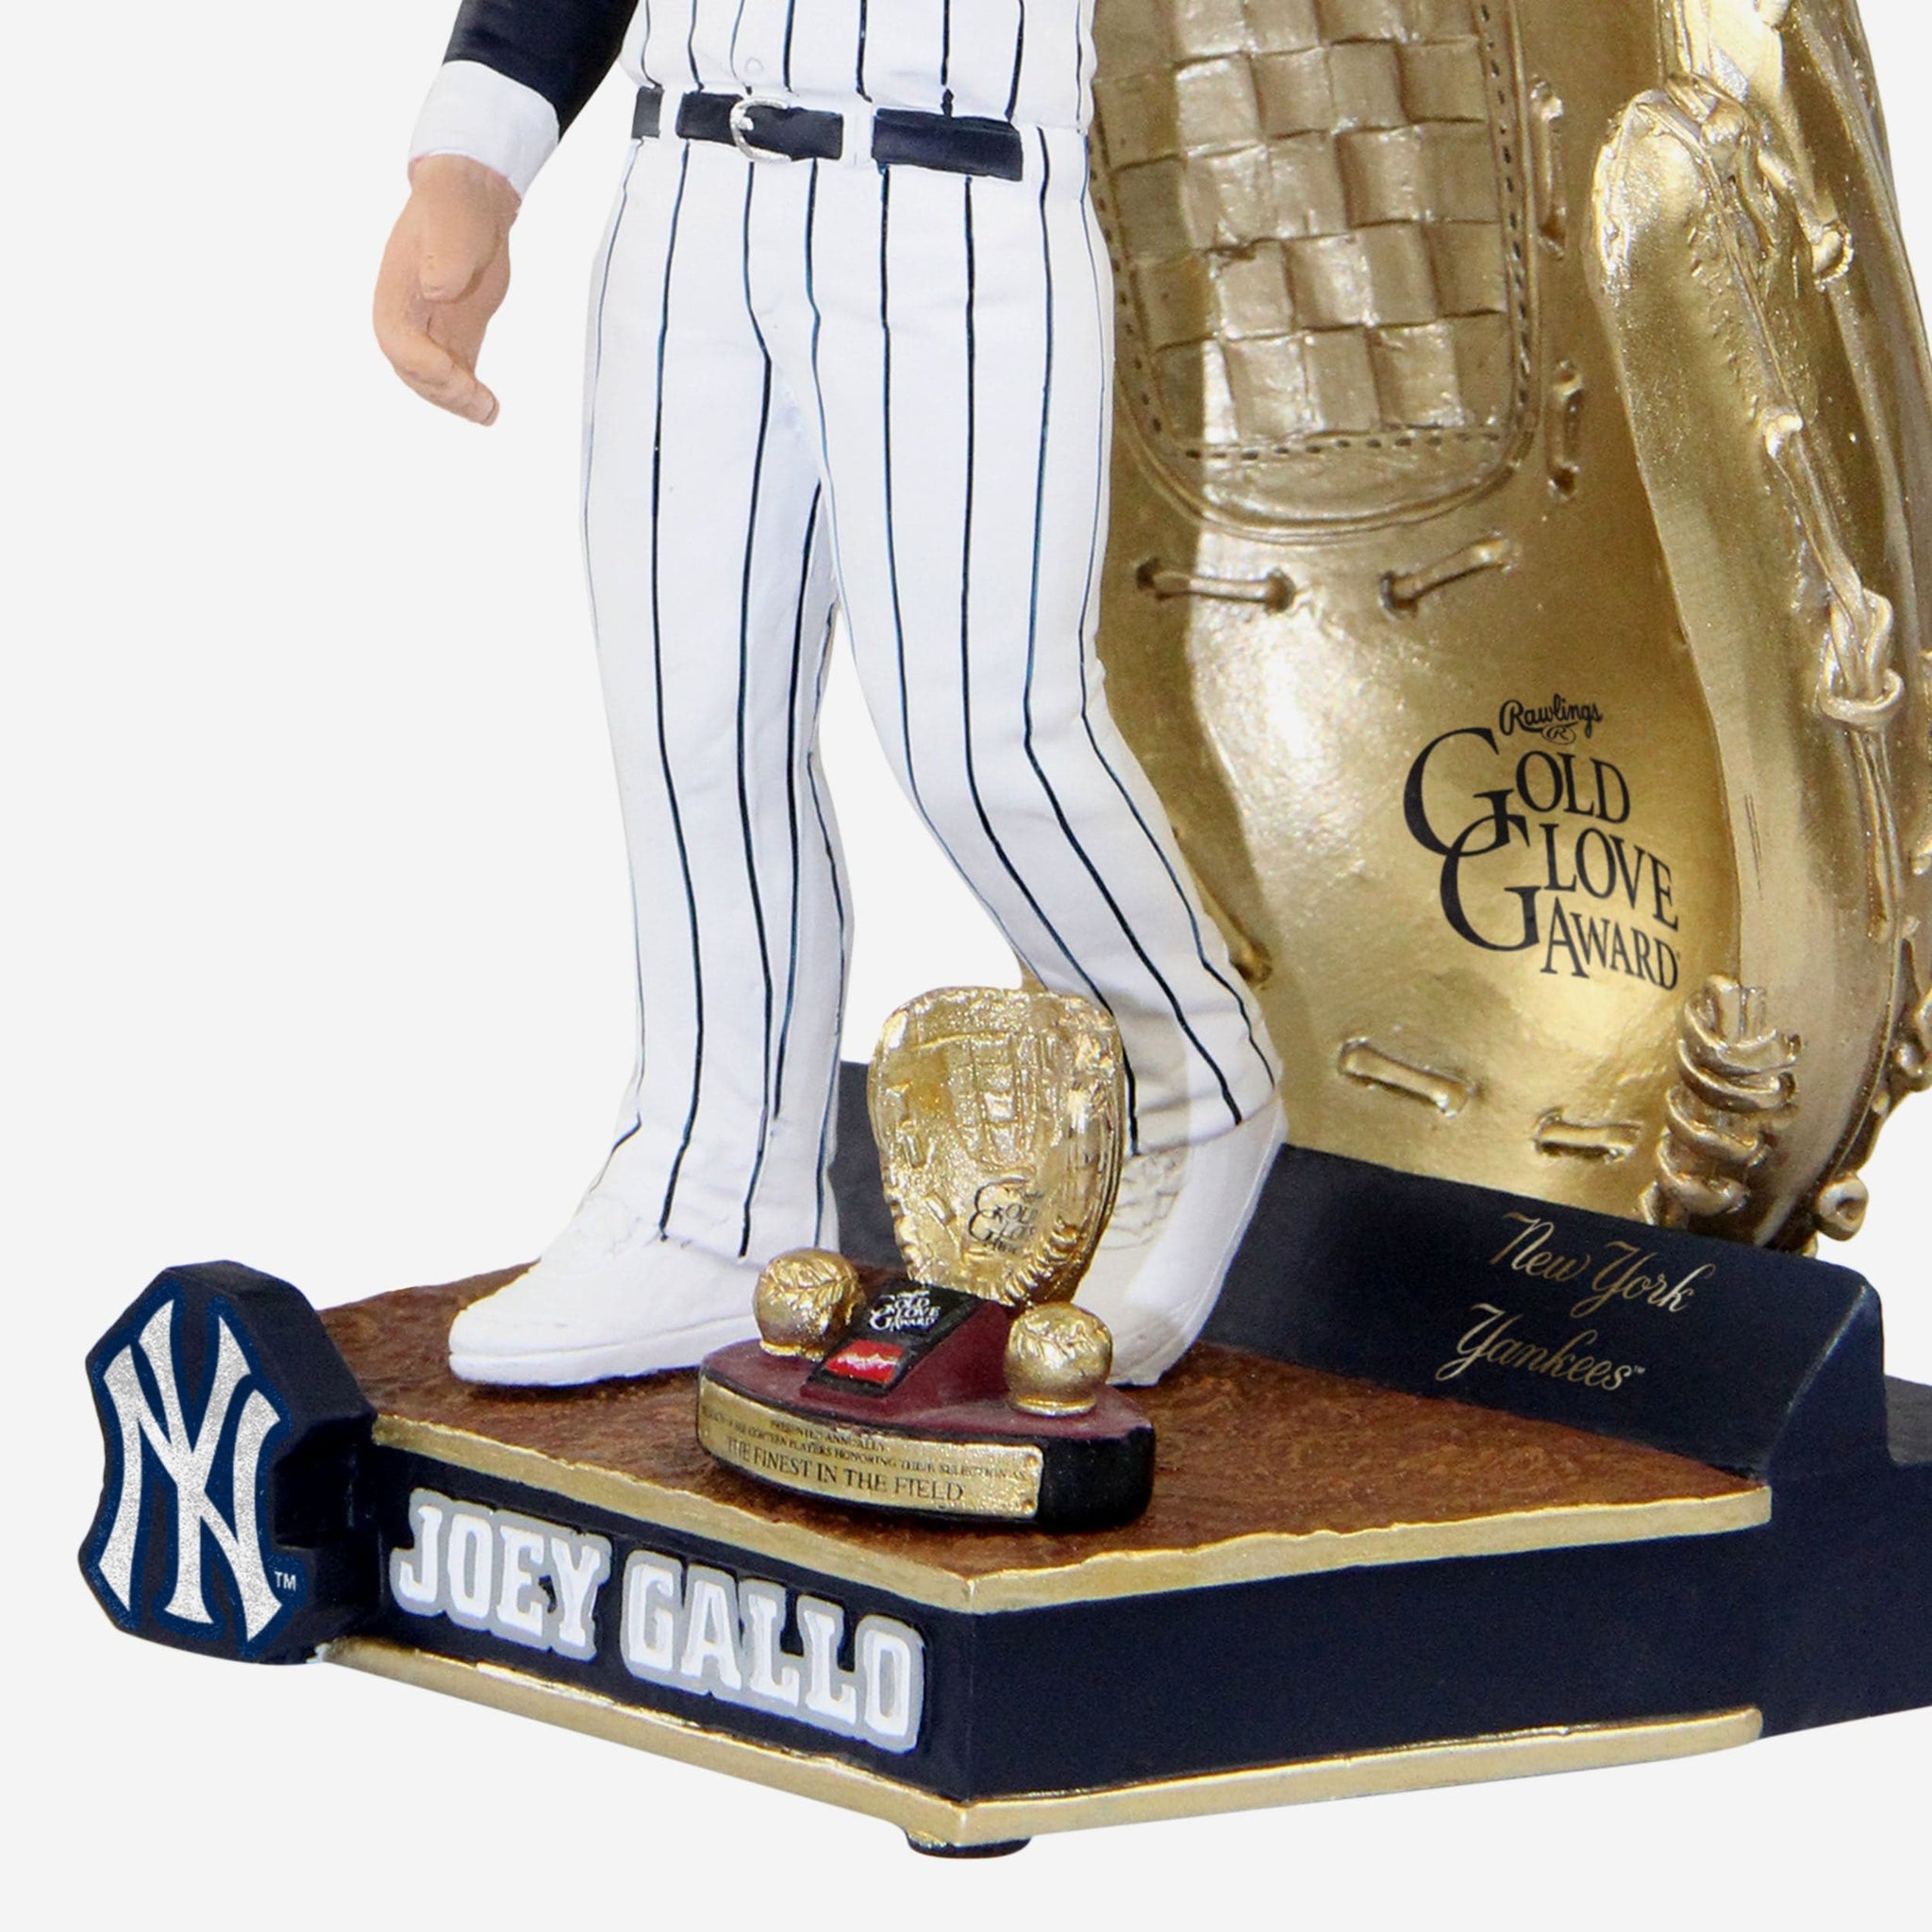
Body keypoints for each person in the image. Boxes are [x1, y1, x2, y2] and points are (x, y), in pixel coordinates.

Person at [374, 0, 1285, 1389]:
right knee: (691, 729)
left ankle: (1192, 1086)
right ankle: (710, 1203)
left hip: (953, 194)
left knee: (984, 738)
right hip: (688, 191)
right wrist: (473, 163)